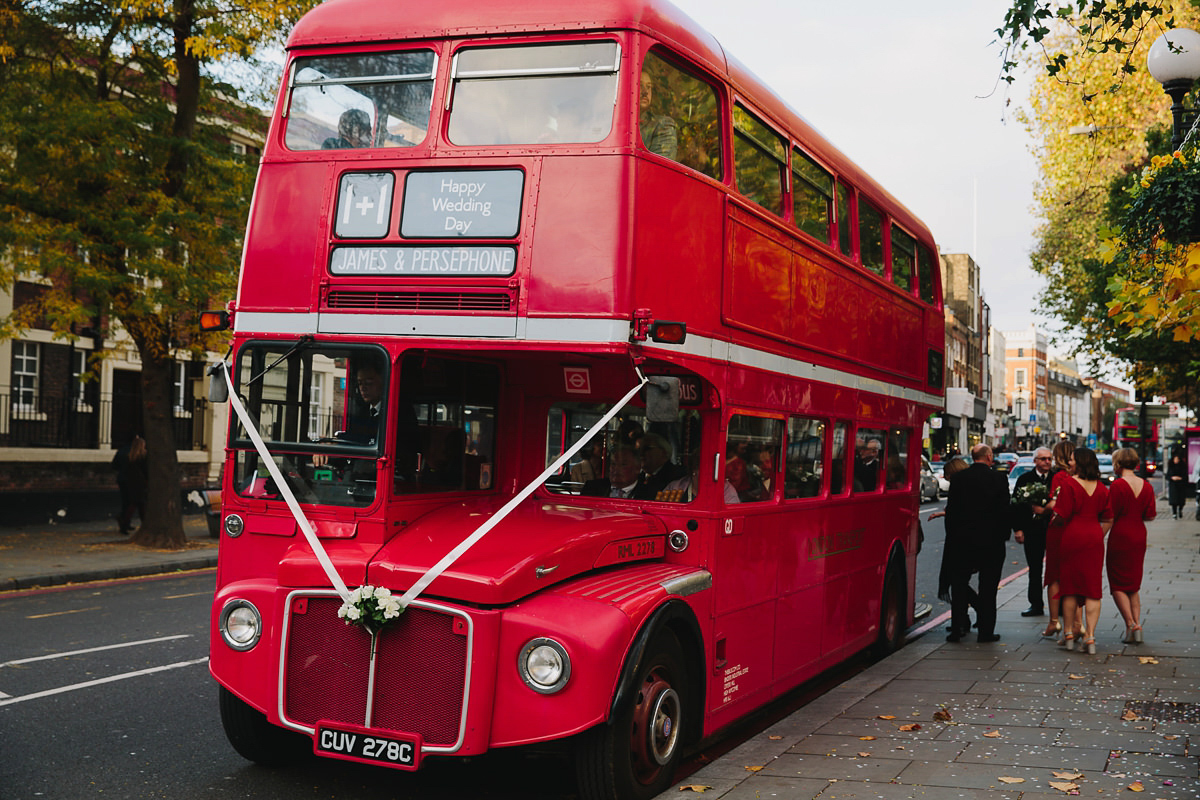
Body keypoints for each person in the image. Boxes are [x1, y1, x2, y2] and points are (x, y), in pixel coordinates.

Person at [941, 444, 1011, 643]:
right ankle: (985, 633)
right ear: (989, 457)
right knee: (988, 589)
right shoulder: (998, 479)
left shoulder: (960, 479)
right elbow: (1004, 511)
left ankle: (956, 630)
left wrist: (953, 537)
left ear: (973, 458)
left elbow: (952, 512)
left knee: (960, 586)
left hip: (963, 542)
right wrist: (1003, 536)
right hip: (991, 543)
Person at [1051, 447, 1111, 655]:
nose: (1070, 463)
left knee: (1070, 587)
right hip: (1093, 536)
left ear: (1081, 462)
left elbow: (1061, 513)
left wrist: (1054, 520)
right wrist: (1096, 534)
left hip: (1072, 535)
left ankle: (1068, 634)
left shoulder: (1069, 484)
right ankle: (1090, 636)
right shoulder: (1102, 488)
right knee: (1092, 588)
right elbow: (1108, 518)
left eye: (1073, 460)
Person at [1106, 448, 1156, 644]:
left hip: (1121, 534)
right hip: (1138, 533)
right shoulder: (1147, 486)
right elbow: (1150, 515)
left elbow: (1110, 514)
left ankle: (1130, 624)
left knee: (1117, 583)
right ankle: (1138, 625)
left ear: (1118, 463)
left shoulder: (1117, 486)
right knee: (1133, 585)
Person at [930, 455, 974, 636]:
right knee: (959, 582)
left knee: (957, 582)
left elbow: (959, 513)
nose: (947, 479)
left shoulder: (959, 485)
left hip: (958, 541)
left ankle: (960, 624)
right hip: (965, 540)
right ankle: (963, 620)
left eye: (947, 474)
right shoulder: (970, 486)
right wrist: (943, 514)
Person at [1011, 447, 1055, 618]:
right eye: (1043, 459)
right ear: (1035, 461)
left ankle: (1057, 604)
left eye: (1049, 459)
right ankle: (1036, 604)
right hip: (1032, 530)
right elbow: (1016, 505)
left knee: (1055, 568)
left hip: (1053, 528)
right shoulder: (1025, 479)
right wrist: (1018, 529)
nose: (1047, 462)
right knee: (1035, 568)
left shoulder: (1056, 478)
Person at [1042, 439, 1076, 640]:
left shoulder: (1060, 477)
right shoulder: (1083, 477)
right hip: (1078, 529)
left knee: (1054, 576)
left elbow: (1055, 504)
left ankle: (1054, 621)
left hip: (1058, 529)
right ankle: (1075, 625)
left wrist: (1041, 508)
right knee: (1072, 577)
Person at [632, 432, 686, 500]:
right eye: (638, 449)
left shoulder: (677, 478)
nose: (640, 453)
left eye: (647, 448)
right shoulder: (635, 478)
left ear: (663, 452)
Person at [639, 69, 678, 159]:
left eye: (649, 87)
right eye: (640, 85)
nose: (645, 92)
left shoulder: (662, 125)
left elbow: (659, 168)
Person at [113, 434, 148, 534]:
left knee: (129, 503)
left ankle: (125, 522)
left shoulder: (127, 454)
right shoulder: (142, 456)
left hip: (125, 480)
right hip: (138, 483)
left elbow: (115, 466)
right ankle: (125, 523)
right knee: (137, 503)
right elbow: (145, 470)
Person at [1166, 448, 1187, 520]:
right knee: (1174, 501)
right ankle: (1174, 513)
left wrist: (1180, 478)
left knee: (1181, 501)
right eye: (1175, 459)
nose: (1176, 460)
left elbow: (1185, 476)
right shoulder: (1171, 466)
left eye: (1177, 459)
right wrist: (1172, 478)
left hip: (1181, 485)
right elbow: (1167, 476)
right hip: (1173, 486)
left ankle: (1180, 510)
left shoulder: (1183, 466)